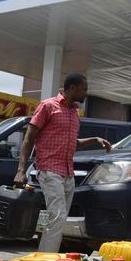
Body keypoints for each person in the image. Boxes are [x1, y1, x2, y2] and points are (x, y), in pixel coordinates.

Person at [14, 74, 111, 252]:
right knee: (57, 216)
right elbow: (29, 138)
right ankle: (47, 260)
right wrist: (21, 170)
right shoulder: (48, 106)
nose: (86, 93)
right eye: (84, 89)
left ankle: (46, 254)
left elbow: (73, 142)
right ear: (73, 88)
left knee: (58, 217)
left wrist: (95, 139)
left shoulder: (74, 113)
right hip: (49, 169)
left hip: (68, 172)